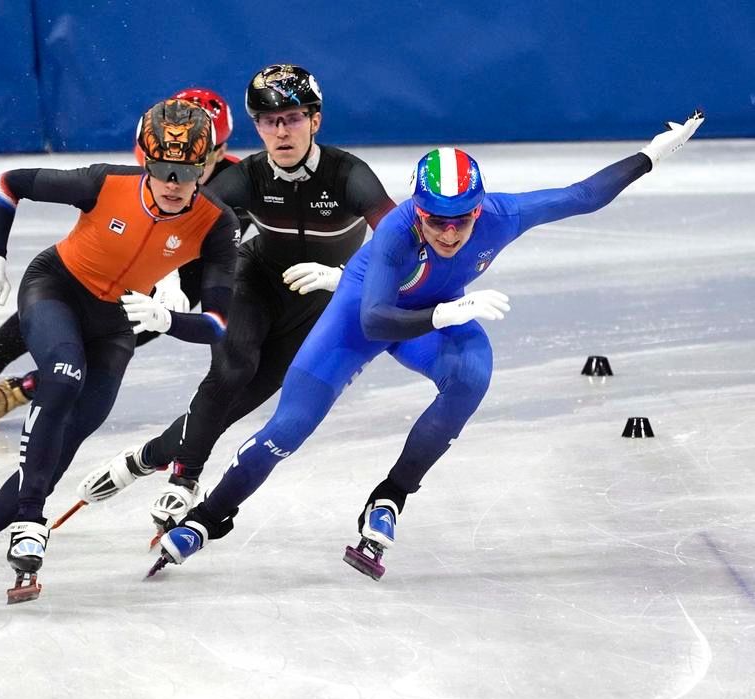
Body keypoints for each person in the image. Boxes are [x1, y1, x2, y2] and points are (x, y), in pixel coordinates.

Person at [149, 110, 706, 579]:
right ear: (417, 209)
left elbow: (583, 195)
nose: (449, 232)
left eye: (461, 220)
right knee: (289, 429)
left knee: (473, 375)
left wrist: (650, 156)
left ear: (479, 208)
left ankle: (391, 495)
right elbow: (375, 322)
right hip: (361, 317)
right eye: (436, 220)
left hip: (434, 317)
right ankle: (210, 517)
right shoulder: (397, 234)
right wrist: (444, 311)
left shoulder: (503, 216)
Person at [0, 99, 240, 602]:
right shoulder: (105, 183)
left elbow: (217, 324)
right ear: (145, 162)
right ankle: (30, 518)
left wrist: (169, 320)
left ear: (206, 167)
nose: (174, 183)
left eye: (188, 172)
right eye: (162, 169)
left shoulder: (216, 222)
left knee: (66, 441)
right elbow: (9, 183)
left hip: (117, 325)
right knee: (63, 377)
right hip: (56, 289)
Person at [73, 64, 396, 534]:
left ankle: (145, 458)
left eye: (292, 119)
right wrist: (168, 276)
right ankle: (184, 478)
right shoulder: (248, 177)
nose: (280, 132)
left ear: (315, 120)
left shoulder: (349, 175)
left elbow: (399, 243)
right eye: (268, 121)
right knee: (231, 368)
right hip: (254, 281)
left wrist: (346, 278)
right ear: (256, 126)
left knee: (237, 403)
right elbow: (173, 221)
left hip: (315, 306)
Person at [0, 88, 246, 427]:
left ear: (220, 151)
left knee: (121, 332)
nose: (178, 172)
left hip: (191, 274)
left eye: (196, 161)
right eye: (167, 162)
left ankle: (29, 386)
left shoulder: (236, 187)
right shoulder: (162, 161)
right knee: (61, 298)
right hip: (138, 251)